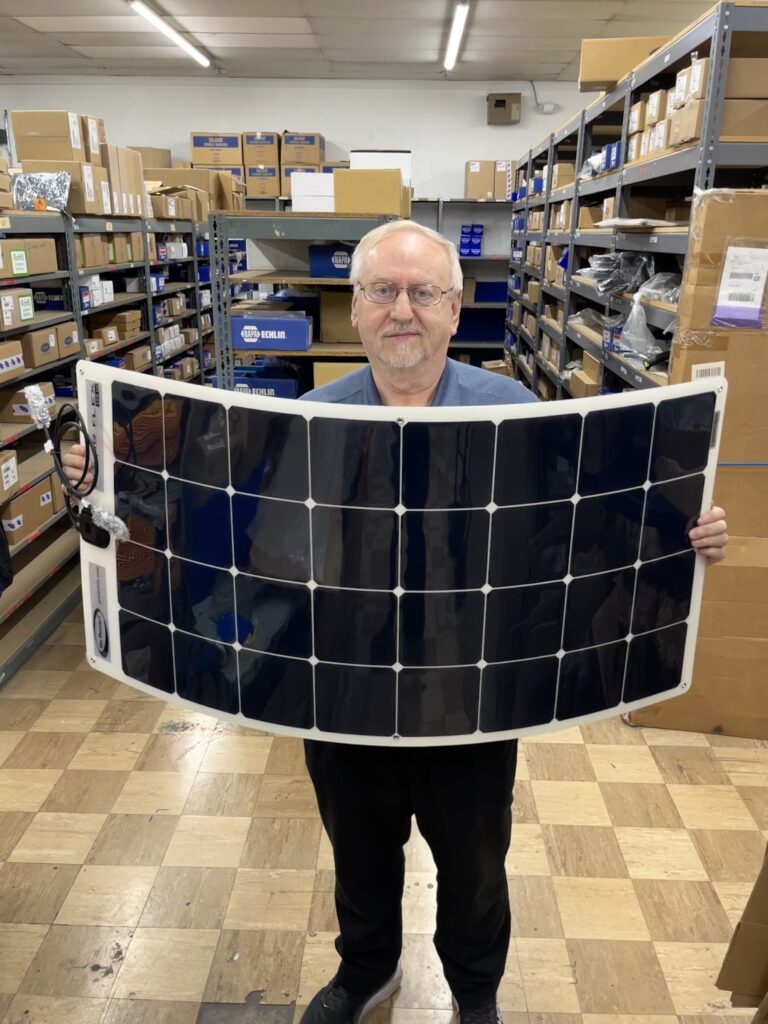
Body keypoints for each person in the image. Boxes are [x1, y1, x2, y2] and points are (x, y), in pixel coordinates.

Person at [63, 220, 729, 1024]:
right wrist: (111, 477)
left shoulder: (514, 412)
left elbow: (591, 517)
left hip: (473, 685)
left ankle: (473, 992)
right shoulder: (312, 417)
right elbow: (228, 535)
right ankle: (367, 973)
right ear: (358, 306)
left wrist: (687, 530)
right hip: (343, 680)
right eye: (383, 291)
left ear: (456, 308)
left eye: (422, 293)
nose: (402, 311)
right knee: (361, 856)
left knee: (477, 864)